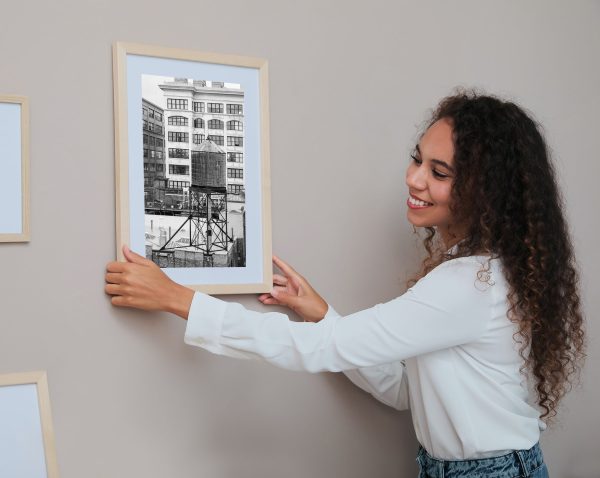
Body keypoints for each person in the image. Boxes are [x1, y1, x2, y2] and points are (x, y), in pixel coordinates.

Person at [105, 90, 585, 478]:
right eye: (417, 160)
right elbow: (407, 391)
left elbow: (321, 350)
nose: (414, 180)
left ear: (486, 193)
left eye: (439, 173)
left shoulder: (470, 283)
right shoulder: (484, 272)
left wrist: (181, 300)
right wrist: (322, 313)